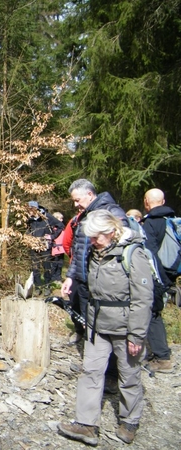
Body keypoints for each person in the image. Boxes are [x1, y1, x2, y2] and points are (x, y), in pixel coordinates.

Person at [57, 210, 153, 446]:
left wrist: (137, 335)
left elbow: (143, 299)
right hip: (97, 324)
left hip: (126, 326)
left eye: (95, 237)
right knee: (91, 371)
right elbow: (83, 276)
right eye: (89, 237)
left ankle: (130, 421)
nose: (91, 242)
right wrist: (70, 280)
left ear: (111, 233)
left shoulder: (133, 254)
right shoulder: (94, 251)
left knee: (129, 375)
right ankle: (86, 423)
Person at [61, 179, 129, 346]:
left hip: (105, 282)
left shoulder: (112, 212)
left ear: (90, 194)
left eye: (78, 200)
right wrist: (70, 276)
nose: (76, 204)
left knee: (105, 328)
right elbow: (78, 249)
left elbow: (125, 245)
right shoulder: (83, 216)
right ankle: (93, 362)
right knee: (89, 323)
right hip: (85, 280)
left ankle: (112, 369)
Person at [141, 188, 175, 372]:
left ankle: (162, 359)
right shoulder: (171, 220)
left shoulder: (150, 223)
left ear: (146, 202)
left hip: (157, 276)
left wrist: (157, 280)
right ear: (163, 202)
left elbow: (149, 255)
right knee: (156, 313)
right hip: (170, 274)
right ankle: (161, 354)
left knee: (153, 313)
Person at [26, 201, 64, 295]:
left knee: (47, 266)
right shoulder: (29, 219)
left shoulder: (47, 217)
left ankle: (47, 286)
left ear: (36, 209)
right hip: (33, 245)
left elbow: (61, 226)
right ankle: (38, 287)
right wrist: (27, 237)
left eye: (30, 210)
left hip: (45, 246)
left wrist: (52, 236)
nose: (29, 212)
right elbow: (28, 229)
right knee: (35, 267)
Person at [49, 211, 65, 284]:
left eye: (62, 219)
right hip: (55, 249)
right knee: (54, 264)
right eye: (60, 218)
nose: (62, 220)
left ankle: (58, 277)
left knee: (60, 264)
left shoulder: (62, 228)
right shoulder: (52, 229)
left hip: (61, 249)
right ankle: (52, 278)